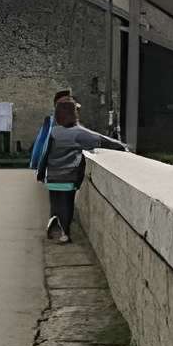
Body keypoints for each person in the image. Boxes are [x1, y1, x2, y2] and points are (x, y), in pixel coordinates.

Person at [37, 96, 122, 241]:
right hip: (68, 175)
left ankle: (54, 222)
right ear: (73, 113)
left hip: (52, 175)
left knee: (56, 202)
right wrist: (122, 146)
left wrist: (40, 172)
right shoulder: (77, 133)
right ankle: (64, 233)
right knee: (67, 204)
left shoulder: (54, 132)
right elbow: (99, 140)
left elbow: (44, 152)